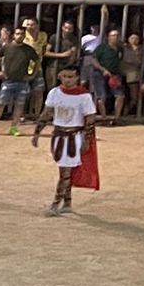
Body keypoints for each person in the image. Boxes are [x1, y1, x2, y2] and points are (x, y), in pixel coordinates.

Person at [31, 64, 97, 217]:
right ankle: (67, 202)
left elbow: (90, 119)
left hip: (74, 138)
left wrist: (87, 140)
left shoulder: (84, 96)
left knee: (65, 172)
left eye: (71, 77)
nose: (67, 80)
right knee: (65, 169)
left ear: (77, 77)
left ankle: (56, 204)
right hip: (59, 136)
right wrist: (37, 133)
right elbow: (46, 113)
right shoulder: (54, 93)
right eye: (64, 76)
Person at [0, 27, 37, 137]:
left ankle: (14, 127)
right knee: (0, 104)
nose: (20, 36)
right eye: (18, 34)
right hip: (8, 81)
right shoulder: (7, 47)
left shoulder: (28, 49)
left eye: (22, 34)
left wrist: (32, 74)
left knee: (19, 106)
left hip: (22, 81)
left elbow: (37, 61)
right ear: (14, 35)